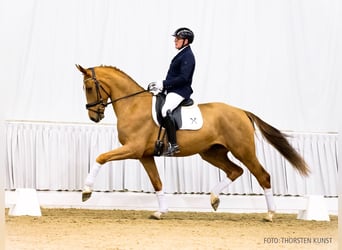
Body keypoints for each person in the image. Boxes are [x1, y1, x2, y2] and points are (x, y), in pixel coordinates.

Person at [153, 27, 196, 156]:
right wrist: (161, 87)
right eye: (175, 38)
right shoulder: (182, 53)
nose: (175, 41)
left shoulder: (188, 55)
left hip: (181, 91)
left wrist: (164, 83)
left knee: (165, 110)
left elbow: (184, 78)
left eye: (178, 39)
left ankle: (173, 144)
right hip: (172, 89)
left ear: (186, 41)